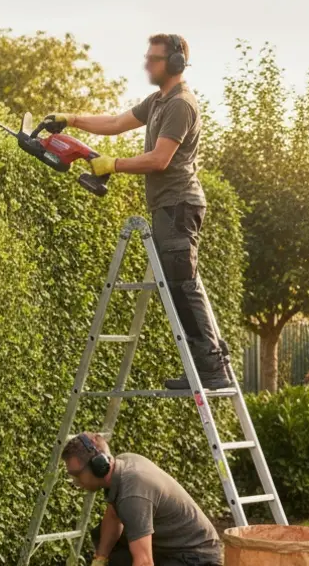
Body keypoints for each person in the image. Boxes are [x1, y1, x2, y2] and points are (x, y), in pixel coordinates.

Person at [45, 33, 232, 390]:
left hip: (178, 203)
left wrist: (111, 165)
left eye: (154, 58)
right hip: (169, 205)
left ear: (175, 64)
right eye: (147, 57)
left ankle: (211, 368)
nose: (147, 63)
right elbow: (116, 124)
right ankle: (204, 365)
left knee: (183, 285)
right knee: (180, 286)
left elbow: (160, 160)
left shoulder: (180, 104)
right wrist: (70, 119)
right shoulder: (158, 101)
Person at [61, 431, 222, 566]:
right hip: (171, 547)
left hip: (196, 557)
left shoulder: (133, 493)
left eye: (76, 474)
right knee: (103, 536)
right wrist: (99, 560)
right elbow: (112, 516)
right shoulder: (122, 466)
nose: (76, 481)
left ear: (98, 466)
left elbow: (144, 562)